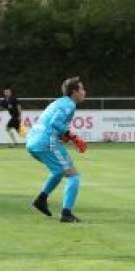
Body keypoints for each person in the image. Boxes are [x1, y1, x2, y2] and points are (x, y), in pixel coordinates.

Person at [26, 77, 88, 223]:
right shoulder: (69, 104)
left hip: (33, 142)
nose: (84, 92)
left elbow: (50, 123)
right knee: (73, 176)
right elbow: (55, 123)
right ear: (74, 92)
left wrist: (64, 136)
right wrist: (73, 137)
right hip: (46, 142)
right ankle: (66, 214)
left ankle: (41, 200)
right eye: (82, 89)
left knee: (58, 171)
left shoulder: (58, 102)